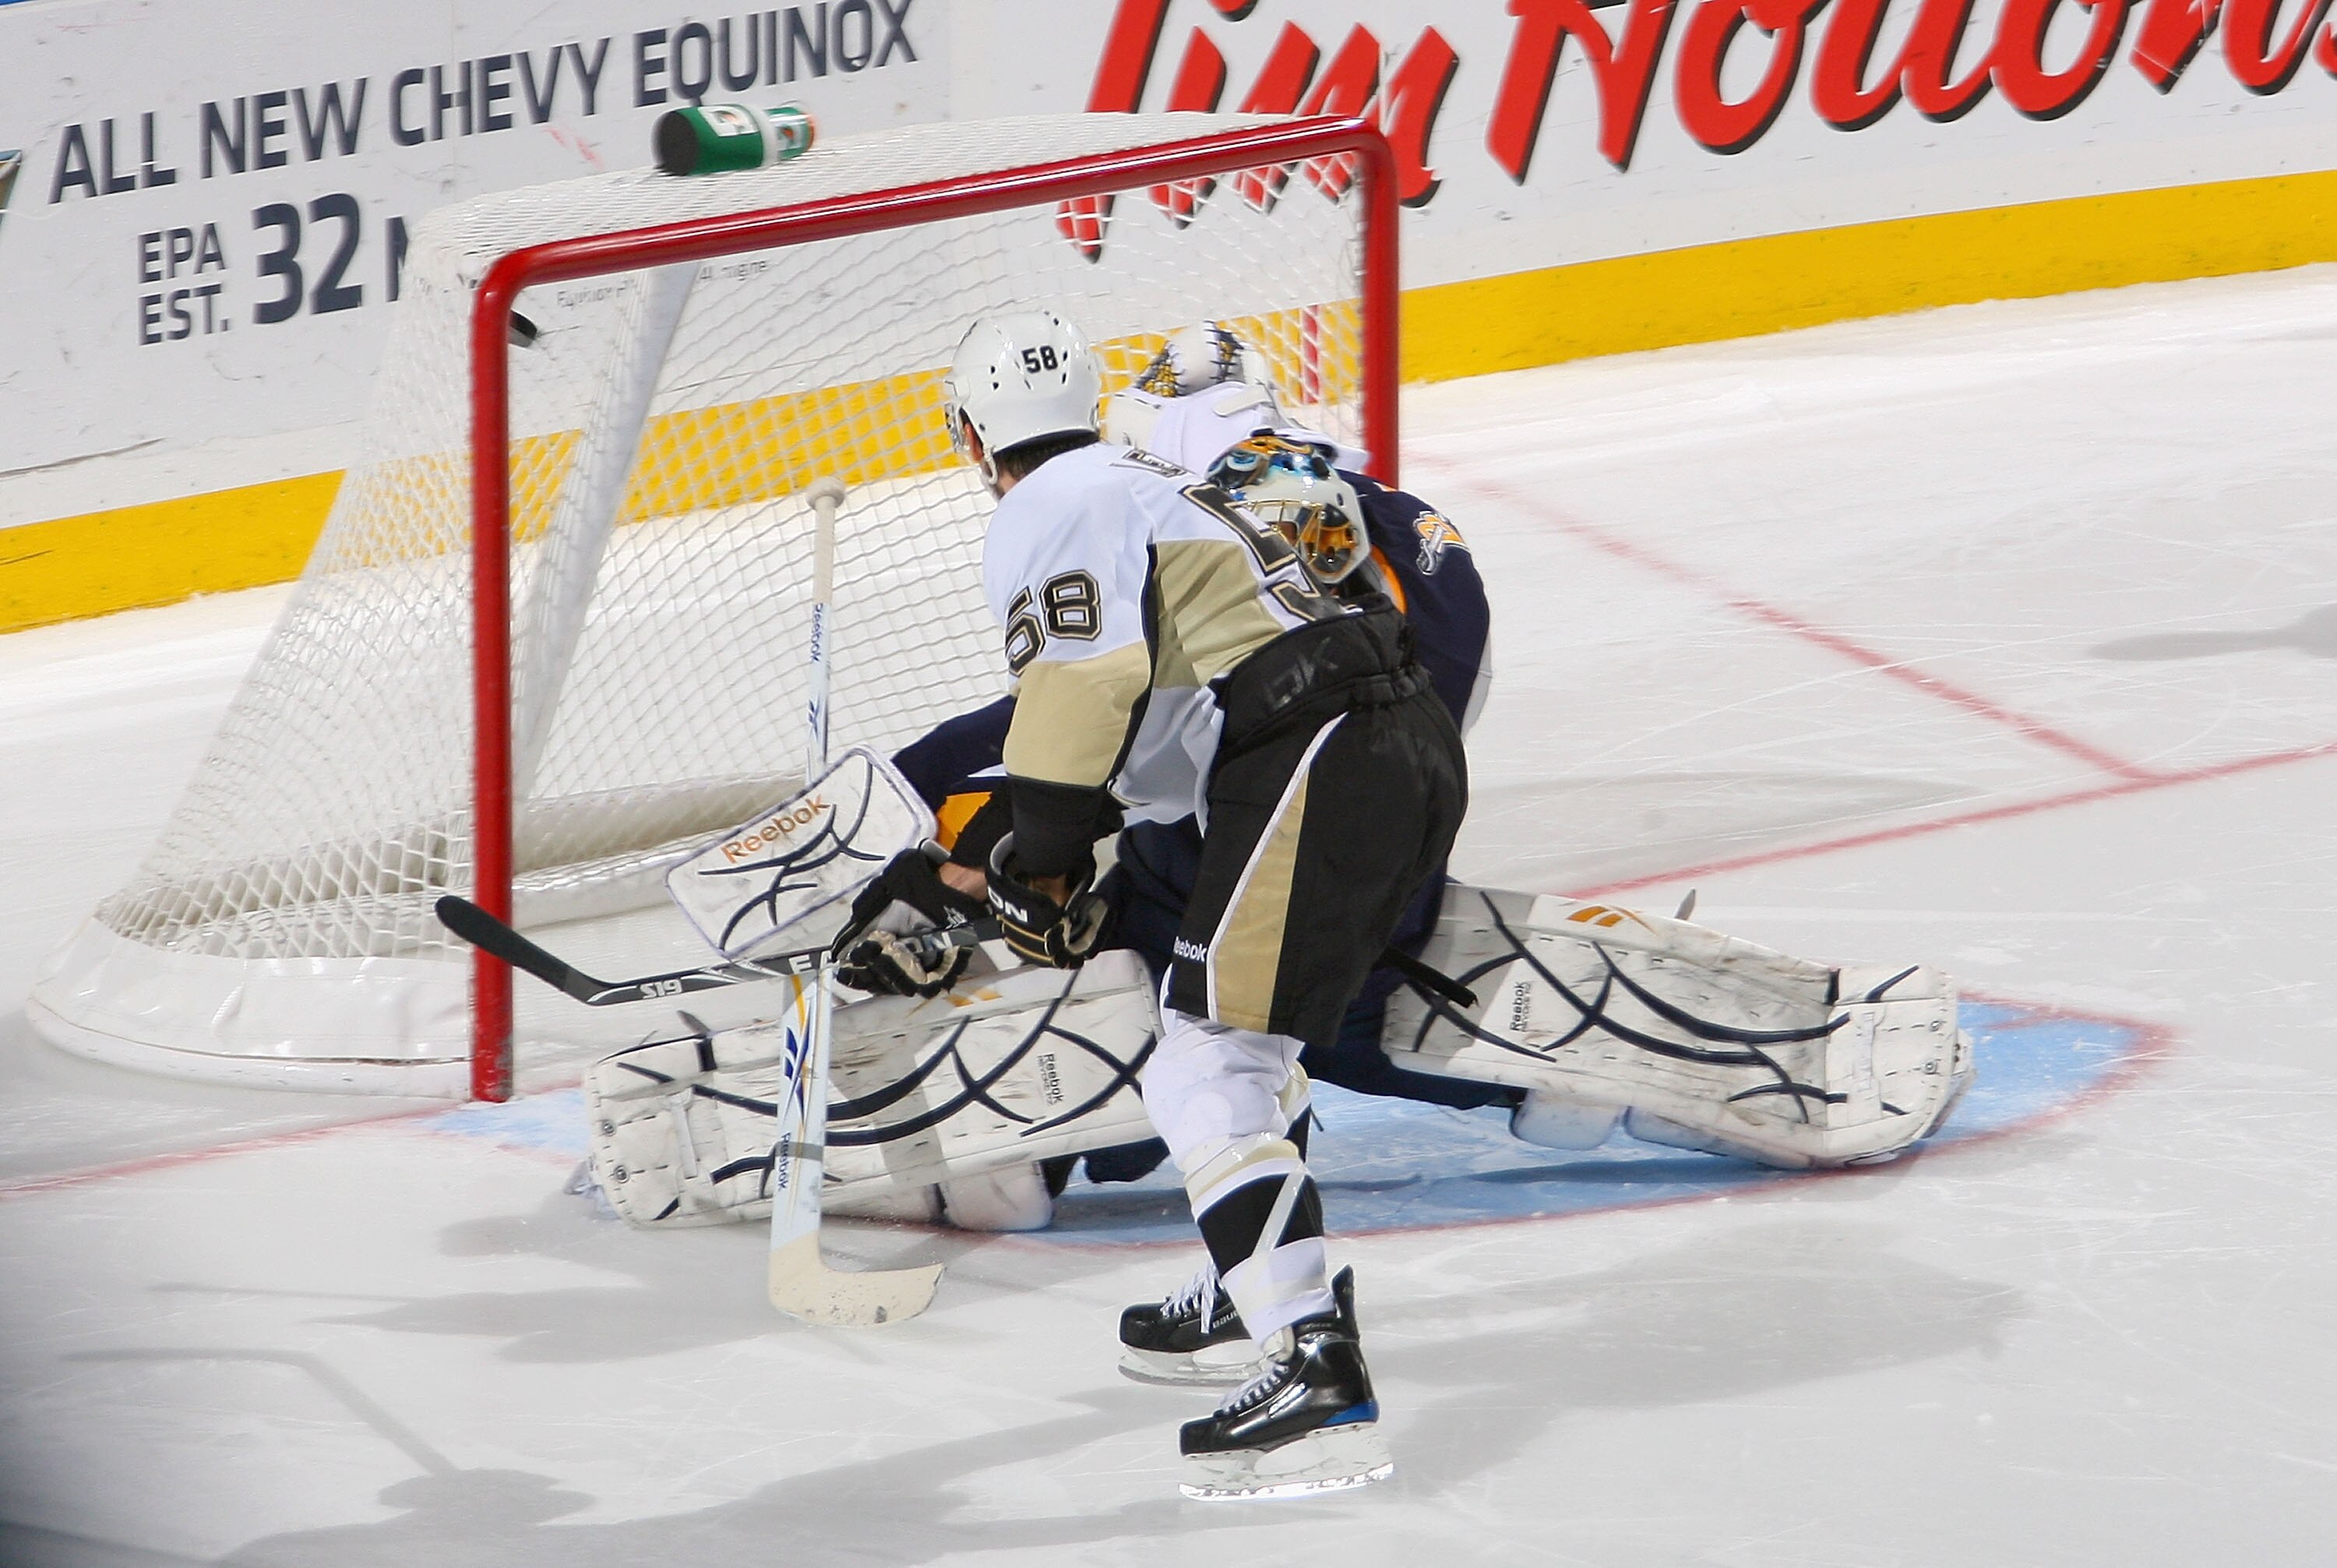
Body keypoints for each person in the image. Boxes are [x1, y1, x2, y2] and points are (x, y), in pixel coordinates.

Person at [911, 307, 1467, 1500]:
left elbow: (1082, 688)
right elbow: (1159, 729)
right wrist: (1033, 844)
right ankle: (1247, 1284)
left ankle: (1313, 1366)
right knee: (1229, 1037)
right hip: (1398, 735)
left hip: (1318, 749)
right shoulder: (1158, 481)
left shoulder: (1048, 502)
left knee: (1202, 1064)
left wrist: (1039, 862)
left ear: (973, 435)